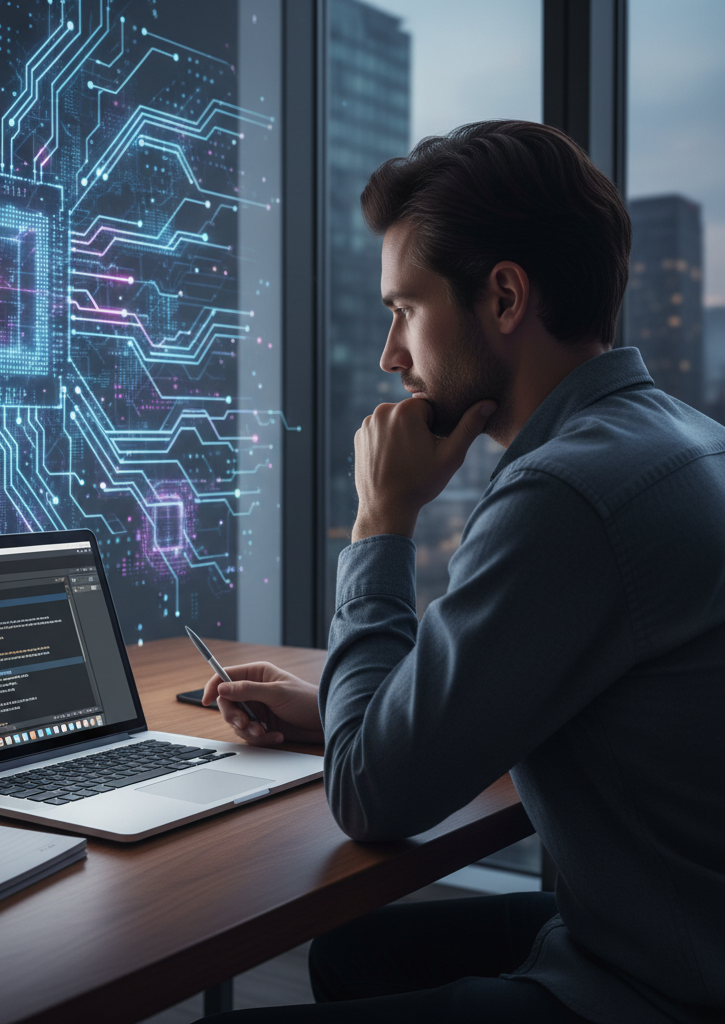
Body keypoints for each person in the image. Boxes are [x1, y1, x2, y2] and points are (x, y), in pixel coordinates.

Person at [199, 121, 725, 1023]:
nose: (390, 355)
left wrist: (381, 517)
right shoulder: (687, 439)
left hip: (654, 990)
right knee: (356, 953)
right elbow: (552, 690)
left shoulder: (564, 494)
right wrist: (338, 710)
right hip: (673, 930)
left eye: (405, 309)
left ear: (506, 297)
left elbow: (370, 796)